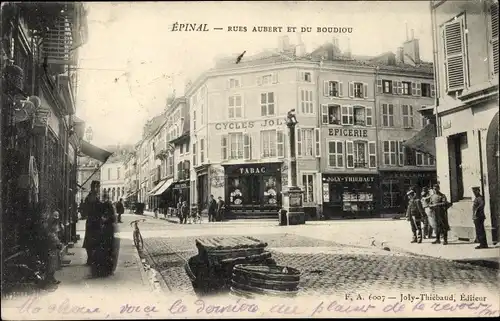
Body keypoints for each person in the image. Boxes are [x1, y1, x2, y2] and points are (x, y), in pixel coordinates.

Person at [91, 191, 117, 277]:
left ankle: (106, 270)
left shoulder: (107, 205)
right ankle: (106, 270)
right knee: (107, 250)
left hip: (107, 230)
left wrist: (104, 220)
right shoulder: (107, 205)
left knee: (106, 250)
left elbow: (110, 218)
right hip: (106, 231)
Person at [82, 180, 102, 265]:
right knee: (92, 240)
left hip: (92, 221)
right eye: (97, 187)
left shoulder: (91, 196)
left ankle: (91, 259)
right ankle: (91, 259)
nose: (98, 189)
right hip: (93, 222)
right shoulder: (92, 197)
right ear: (94, 187)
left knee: (90, 240)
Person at [45, 211, 63, 288]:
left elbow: (56, 233)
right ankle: (50, 278)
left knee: (54, 262)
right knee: (52, 263)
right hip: (52, 245)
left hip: (55, 245)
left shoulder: (55, 224)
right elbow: (51, 234)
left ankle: (51, 278)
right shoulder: (49, 226)